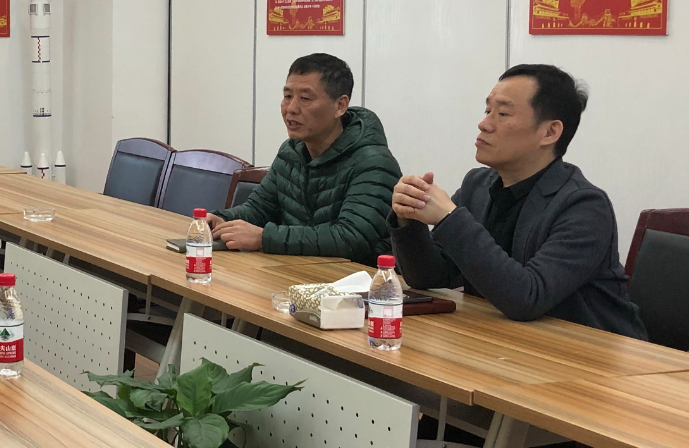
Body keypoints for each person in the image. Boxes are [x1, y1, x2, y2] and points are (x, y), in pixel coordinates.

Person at [390, 63, 645, 338]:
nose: (484, 124)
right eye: (487, 111)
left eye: (502, 114)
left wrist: (449, 218)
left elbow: (527, 297)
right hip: (507, 341)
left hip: (588, 351)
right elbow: (430, 277)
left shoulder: (584, 206)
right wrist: (409, 218)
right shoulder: (477, 185)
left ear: (550, 132)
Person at [209, 53, 401, 266]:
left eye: (305, 99)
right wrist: (223, 220)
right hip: (300, 271)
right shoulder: (291, 151)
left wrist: (265, 238)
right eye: (287, 96)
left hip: (358, 280)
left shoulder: (374, 162)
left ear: (340, 106)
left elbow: (351, 238)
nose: (291, 108)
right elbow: (260, 208)